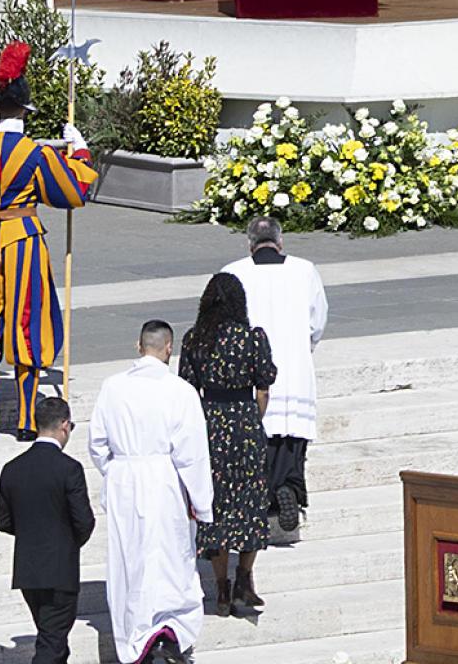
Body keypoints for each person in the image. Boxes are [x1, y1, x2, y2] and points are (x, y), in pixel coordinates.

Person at [0, 41, 98, 433]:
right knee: (27, 325)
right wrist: (80, 152)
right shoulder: (36, 153)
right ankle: (26, 420)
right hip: (24, 240)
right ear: (26, 112)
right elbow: (72, 192)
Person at [90, 317, 213, 664]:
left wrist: (115, 472)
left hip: (124, 481)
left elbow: (97, 442)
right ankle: (166, 632)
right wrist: (202, 504)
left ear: (138, 346)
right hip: (164, 481)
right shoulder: (179, 390)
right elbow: (192, 453)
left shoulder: (113, 387)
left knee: (130, 559)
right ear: (169, 348)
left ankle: (138, 636)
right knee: (169, 558)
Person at [218, 217, 326, 545]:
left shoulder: (233, 271)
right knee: (292, 439)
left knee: (257, 437)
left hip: (252, 369)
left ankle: (264, 498)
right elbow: (317, 320)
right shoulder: (304, 269)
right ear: (281, 242)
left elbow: (225, 320)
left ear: (250, 244)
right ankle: (290, 488)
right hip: (293, 366)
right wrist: (302, 347)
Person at [178, 271, 277, 616]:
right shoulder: (252, 338)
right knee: (251, 502)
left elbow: (187, 389)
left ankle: (220, 588)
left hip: (209, 425)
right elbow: (263, 387)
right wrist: (251, 419)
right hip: (245, 422)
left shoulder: (195, 339)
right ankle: (244, 578)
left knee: (215, 505)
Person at [0, 392, 92, 664]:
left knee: (53, 639)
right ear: (64, 425)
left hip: (28, 571)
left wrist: (32, 534)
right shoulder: (69, 468)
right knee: (52, 644)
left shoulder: (12, 469)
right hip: (59, 570)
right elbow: (84, 521)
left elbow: (4, 521)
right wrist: (65, 542)